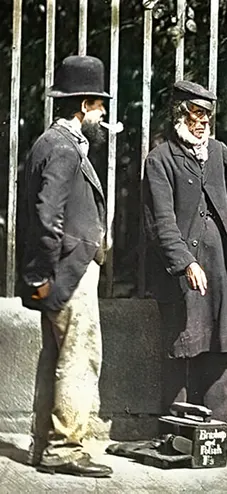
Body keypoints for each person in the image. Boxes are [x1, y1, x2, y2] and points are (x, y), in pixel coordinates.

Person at [143, 80, 227, 452]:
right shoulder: (159, 159)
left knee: (219, 345)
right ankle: (176, 429)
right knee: (182, 347)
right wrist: (184, 262)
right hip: (180, 274)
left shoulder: (218, 152)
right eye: (197, 114)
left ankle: (216, 429)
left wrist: (224, 221)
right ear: (180, 115)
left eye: (208, 116)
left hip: (218, 268)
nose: (203, 123)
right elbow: (160, 222)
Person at [20, 55, 113, 477]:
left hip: (60, 272)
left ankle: (45, 444)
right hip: (68, 272)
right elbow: (46, 216)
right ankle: (64, 448)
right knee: (79, 358)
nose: (104, 113)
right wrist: (42, 274)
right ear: (84, 105)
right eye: (100, 105)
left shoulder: (52, 142)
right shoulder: (62, 148)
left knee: (54, 357)